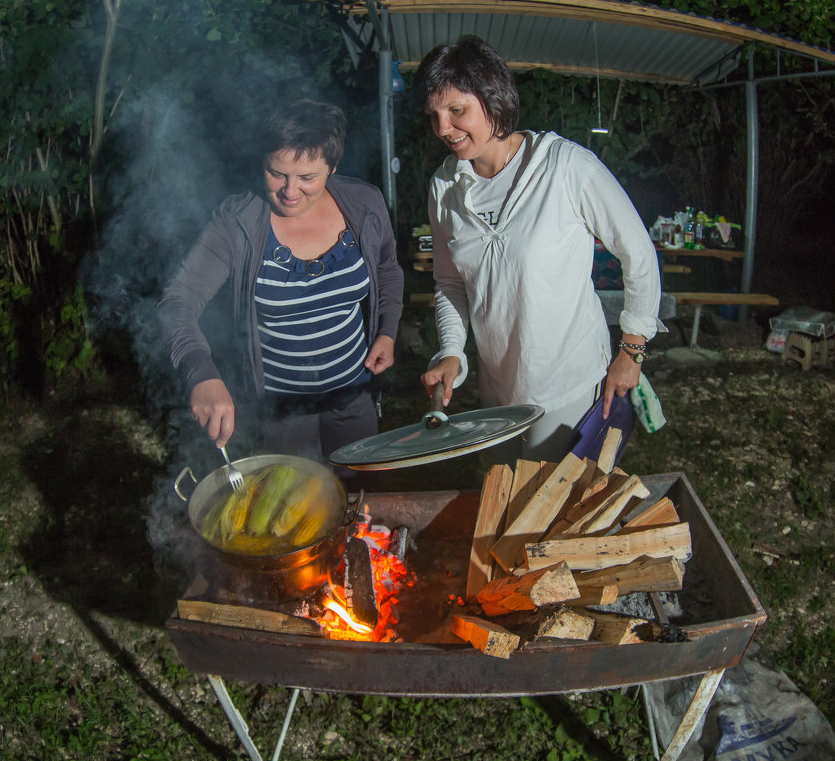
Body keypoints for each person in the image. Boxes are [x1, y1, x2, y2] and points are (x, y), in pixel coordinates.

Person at [416, 36, 664, 462]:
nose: (443, 128)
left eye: (457, 110)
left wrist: (632, 350)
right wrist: (453, 350)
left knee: (558, 510)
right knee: (507, 504)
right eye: (434, 115)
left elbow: (638, 252)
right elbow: (450, 282)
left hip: (569, 386)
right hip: (498, 391)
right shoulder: (445, 187)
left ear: (494, 99)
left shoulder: (565, 167)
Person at [158, 99, 403, 470]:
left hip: (354, 395)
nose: (290, 191)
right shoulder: (237, 221)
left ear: (332, 167)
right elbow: (178, 300)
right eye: (276, 174)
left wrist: (386, 331)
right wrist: (202, 374)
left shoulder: (364, 205)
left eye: (308, 178)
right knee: (292, 509)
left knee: (359, 502)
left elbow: (387, 268)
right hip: (281, 411)